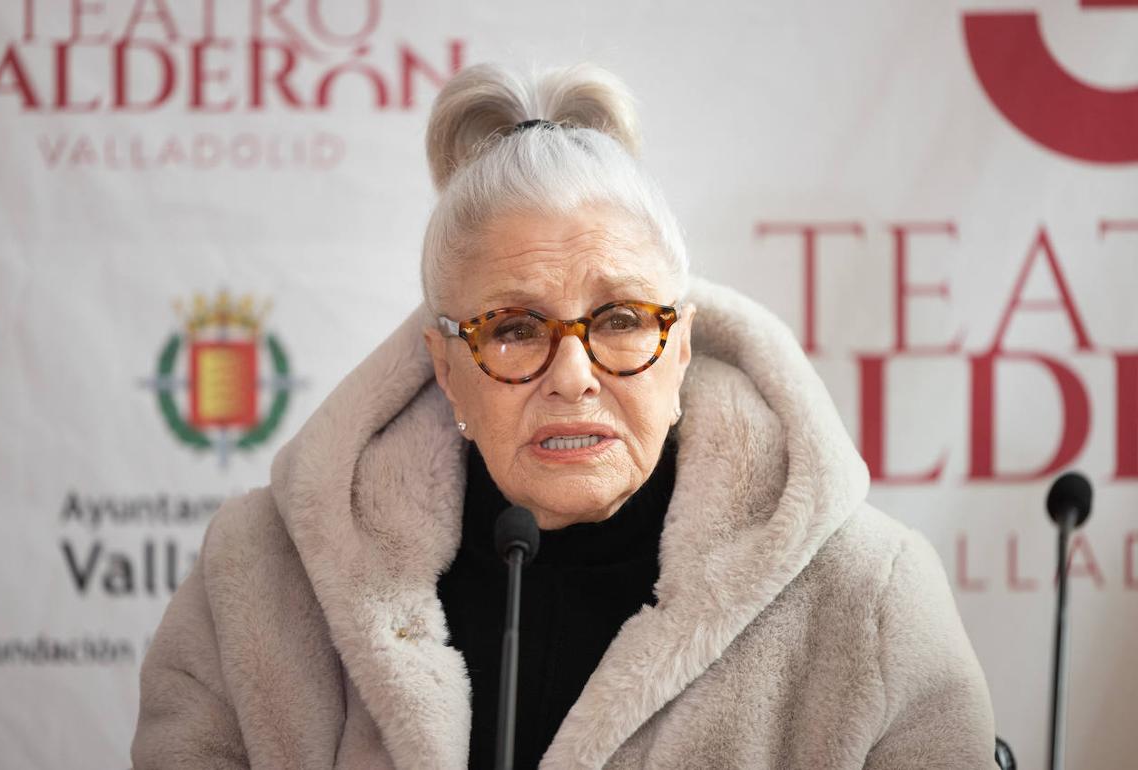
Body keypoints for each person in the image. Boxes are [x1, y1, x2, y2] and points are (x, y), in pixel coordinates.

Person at [130, 62, 996, 769]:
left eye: (620, 320)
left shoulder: (869, 594)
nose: (573, 378)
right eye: (514, 329)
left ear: (681, 348)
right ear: (446, 368)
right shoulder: (259, 580)